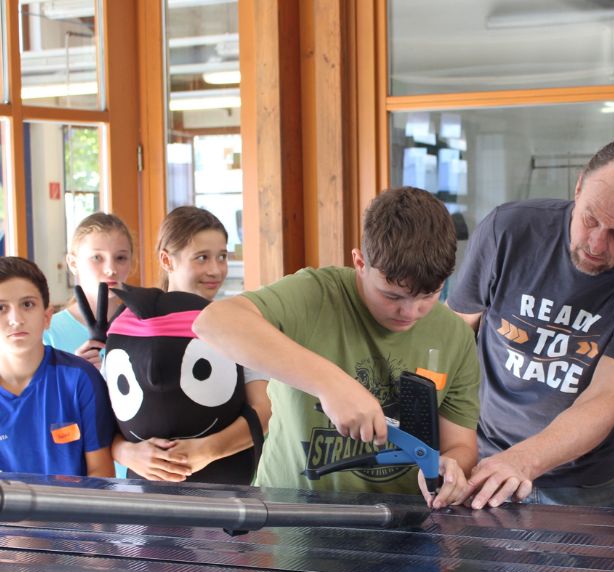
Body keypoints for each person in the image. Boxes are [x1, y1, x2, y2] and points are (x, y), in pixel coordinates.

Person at [194, 186, 480, 508]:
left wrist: (451, 467)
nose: (410, 312)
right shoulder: (315, 295)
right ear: (359, 262)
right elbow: (214, 322)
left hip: (406, 530)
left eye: (429, 295)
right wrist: (330, 384)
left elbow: (461, 445)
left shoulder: (455, 335)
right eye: (392, 296)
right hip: (290, 520)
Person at [448, 138, 614, 509]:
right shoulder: (508, 230)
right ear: (578, 188)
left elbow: (606, 396)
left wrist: (522, 460)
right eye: (590, 218)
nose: (595, 243)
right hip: (477, 459)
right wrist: (449, 443)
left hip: (576, 484)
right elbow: (452, 338)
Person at [111, 206, 271, 484]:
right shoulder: (129, 324)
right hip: (143, 493)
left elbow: (264, 409)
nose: (215, 270)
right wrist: (126, 453)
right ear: (166, 260)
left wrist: (206, 451)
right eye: (202, 258)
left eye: (222, 257)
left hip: (226, 490)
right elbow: (104, 415)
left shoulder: (237, 324)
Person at [0, 257, 114, 477]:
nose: (16, 319)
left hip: (73, 510)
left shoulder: (80, 379)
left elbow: (101, 472)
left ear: (47, 316)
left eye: (27, 304)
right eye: (1, 307)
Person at [43, 212, 133, 370]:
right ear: (73, 263)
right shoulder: (49, 333)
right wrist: (75, 374)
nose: (111, 269)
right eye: (97, 258)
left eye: (120, 258)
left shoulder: (143, 325)